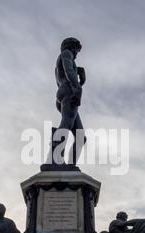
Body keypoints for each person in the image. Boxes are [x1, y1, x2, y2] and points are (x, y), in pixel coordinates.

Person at [48, 37, 87, 166]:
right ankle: (54, 159)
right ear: (72, 47)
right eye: (77, 50)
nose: (76, 55)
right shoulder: (66, 54)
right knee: (66, 125)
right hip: (69, 91)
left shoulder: (60, 61)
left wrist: (79, 70)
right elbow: (68, 70)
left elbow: (68, 69)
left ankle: (71, 166)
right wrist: (77, 86)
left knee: (80, 137)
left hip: (63, 94)